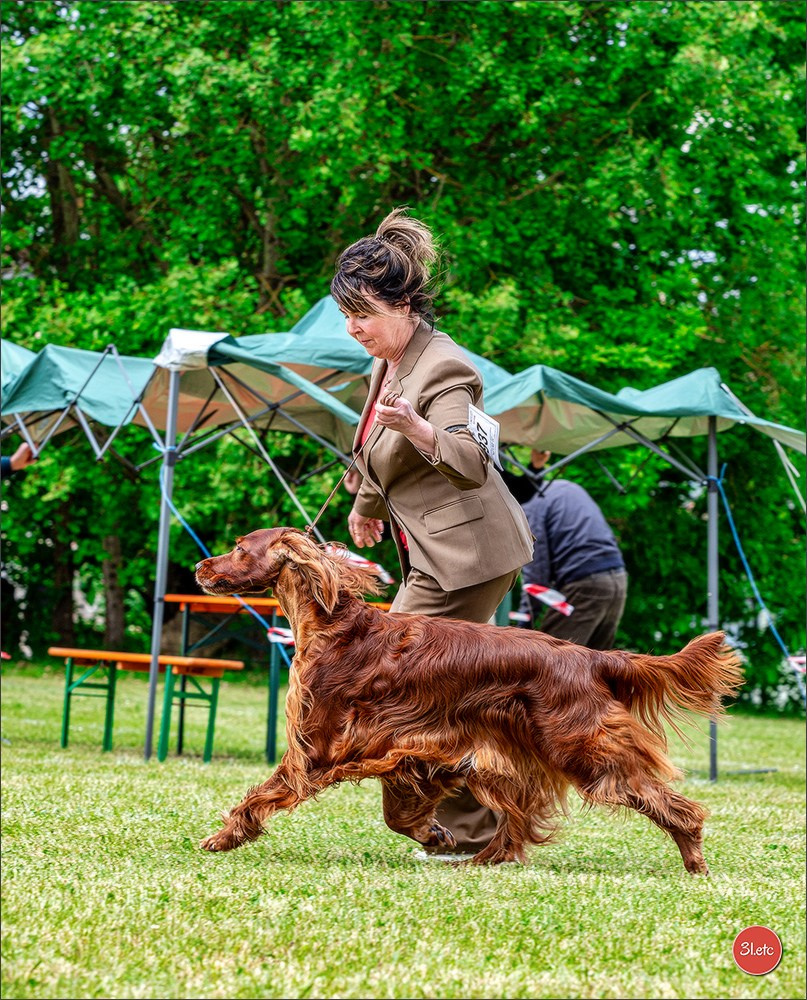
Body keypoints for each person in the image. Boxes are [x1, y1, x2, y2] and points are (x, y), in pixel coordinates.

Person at [331, 207, 535, 860]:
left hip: (471, 554)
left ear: (403, 305)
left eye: (362, 312)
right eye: (345, 314)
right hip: (437, 552)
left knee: (398, 687)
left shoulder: (444, 368)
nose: (352, 327)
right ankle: (478, 825)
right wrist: (366, 502)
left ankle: (465, 832)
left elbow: (471, 460)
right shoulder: (388, 361)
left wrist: (419, 428)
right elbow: (375, 442)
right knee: (435, 695)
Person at [515, 451, 628, 649]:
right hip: (617, 580)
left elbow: (536, 576)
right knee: (597, 667)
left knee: (550, 660)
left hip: (585, 584)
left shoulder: (530, 505)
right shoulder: (567, 486)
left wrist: (524, 625)